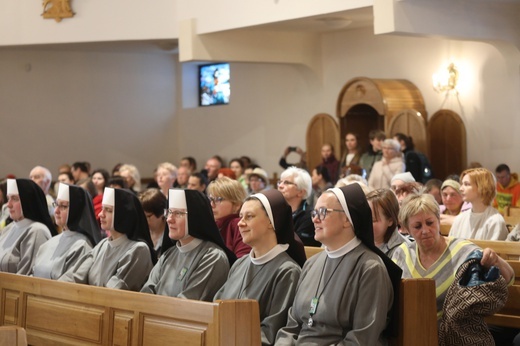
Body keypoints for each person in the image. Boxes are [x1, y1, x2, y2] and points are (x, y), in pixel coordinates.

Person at [275, 184, 402, 345]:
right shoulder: (311, 264)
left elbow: (362, 338)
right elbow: (291, 327)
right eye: (314, 212)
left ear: (348, 220)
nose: (314, 218)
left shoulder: (370, 267)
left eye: (322, 212)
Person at [392, 192, 513, 323]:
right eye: (417, 226)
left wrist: (495, 261)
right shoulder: (402, 253)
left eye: (430, 223)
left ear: (438, 221)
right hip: (412, 328)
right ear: (407, 230)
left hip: (453, 332)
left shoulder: (463, 250)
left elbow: (509, 279)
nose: (425, 230)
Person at [215, 189, 305, 345]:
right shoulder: (239, 264)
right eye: (240, 217)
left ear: (271, 221)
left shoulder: (287, 271)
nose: (240, 223)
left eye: (249, 217)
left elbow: (271, 331)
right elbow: (216, 309)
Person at [140, 189, 235, 300]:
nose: (169, 219)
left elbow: (187, 304)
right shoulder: (168, 254)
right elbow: (146, 295)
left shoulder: (212, 257)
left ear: (195, 217)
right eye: (169, 212)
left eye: (178, 213)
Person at [59, 187, 156, 291]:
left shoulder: (138, 250)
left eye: (108, 210)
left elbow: (114, 291)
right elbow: (75, 275)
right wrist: (55, 289)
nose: (101, 214)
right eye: (102, 208)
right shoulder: (103, 244)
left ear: (124, 215)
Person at [32, 183, 101, 279]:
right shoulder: (49, 243)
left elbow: (70, 283)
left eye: (63, 206)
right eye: (56, 204)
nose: (56, 211)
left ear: (76, 209)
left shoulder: (82, 245)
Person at [0, 179, 56, 275]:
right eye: (8, 198)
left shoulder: (37, 231)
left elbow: (25, 278)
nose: (8, 205)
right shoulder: (8, 229)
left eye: (15, 199)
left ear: (27, 200)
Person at [449, 168, 508, 240]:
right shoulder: (460, 219)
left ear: (482, 187)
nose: (461, 188)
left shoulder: (495, 221)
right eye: (462, 184)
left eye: (467, 184)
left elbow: (494, 249)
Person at [206, 177, 250, 258]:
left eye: (219, 199)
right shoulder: (213, 224)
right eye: (211, 199)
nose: (212, 204)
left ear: (237, 204)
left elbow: (242, 261)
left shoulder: (238, 224)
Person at [277, 167, 319, 247]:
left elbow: (297, 244)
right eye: (280, 182)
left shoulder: (310, 216)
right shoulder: (276, 211)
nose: (280, 186)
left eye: (286, 183)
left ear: (301, 192)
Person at [366, 188, 411, 257]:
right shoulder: (361, 243)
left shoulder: (404, 250)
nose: (366, 223)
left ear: (390, 221)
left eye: (372, 220)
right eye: (364, 218)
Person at [139, 188, 167, 256]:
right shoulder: (140, 234)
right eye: (142, 216)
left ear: (161, 213)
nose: (144, 221)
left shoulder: (170, 237)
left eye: (148, 216)